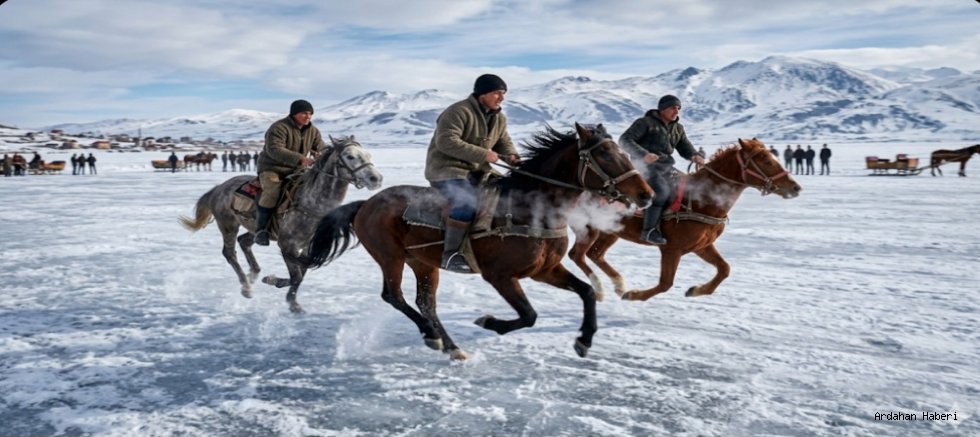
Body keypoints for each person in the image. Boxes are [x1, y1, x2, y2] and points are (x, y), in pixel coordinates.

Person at [425, 74, 520, 272]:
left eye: (503, 93)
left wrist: (511, 156)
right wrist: (484, 154)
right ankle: (450, 255)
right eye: (497, 93)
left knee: (506, 196)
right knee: (466, 202)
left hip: (478, 172)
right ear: (482, 93)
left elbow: (503, 141)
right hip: (447, 171)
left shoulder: (499, 118)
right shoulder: (458, 111)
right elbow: (446, 141)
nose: (501, 98)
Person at [619, 94, 704, 245]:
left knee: (690, 186)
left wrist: (695, 156)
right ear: (662, 108)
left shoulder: (678, 128)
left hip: (666, 167)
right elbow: (624, 140)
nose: (676, 111)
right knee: (661, 192)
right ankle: (649, 231)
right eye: (673, 108)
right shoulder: (645, 123)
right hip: (644, 168)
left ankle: (677, 226)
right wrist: (643, 155)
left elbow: (685, 147)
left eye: (678, 108)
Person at [254, 99, 327, 246]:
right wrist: (301, 159)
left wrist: (322, 155)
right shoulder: (279, 127)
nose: (308, 117)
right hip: (272, 168)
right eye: (304, 113)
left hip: (297, 170)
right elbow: (275, 150)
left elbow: (320, 147)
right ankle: (261, 230)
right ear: (294, 114)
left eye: (310, 114)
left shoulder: (313, 131)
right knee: (272, 191)